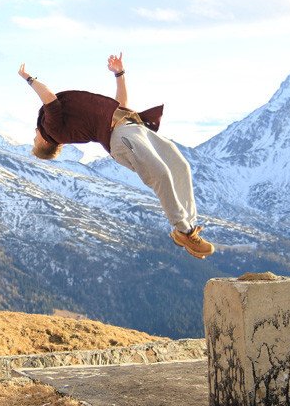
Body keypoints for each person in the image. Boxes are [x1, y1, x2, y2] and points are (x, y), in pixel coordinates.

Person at [18, 53, 215, 259]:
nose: (34, 134)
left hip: (135, 127)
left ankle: (189, 229)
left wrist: (119, 74)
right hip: (120, 137)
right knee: (161, 175)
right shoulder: (52, 129)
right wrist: (29, 78)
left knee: (181, 166)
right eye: (34, 140)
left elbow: (119, 106)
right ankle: (183, 230)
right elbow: (49, 99)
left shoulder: (64, 122)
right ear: (46, 143)